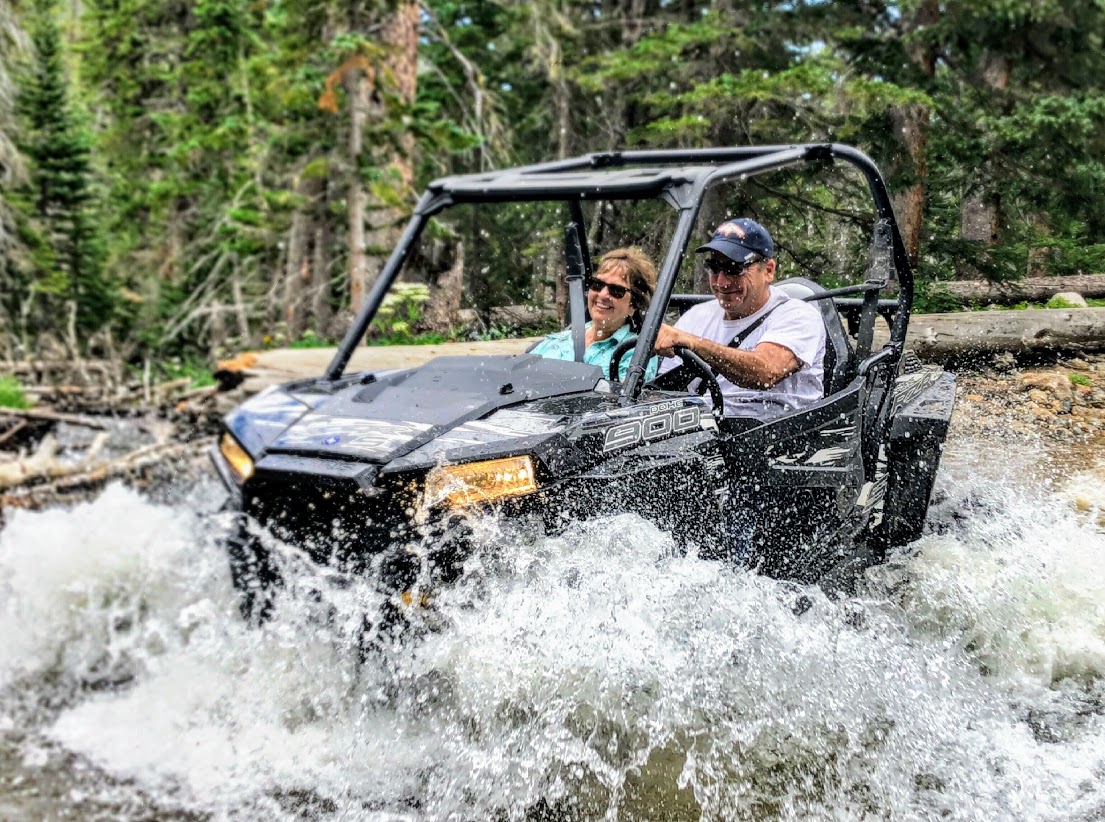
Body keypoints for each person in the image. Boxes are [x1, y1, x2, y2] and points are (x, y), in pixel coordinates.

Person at [653, 218, 825, 419]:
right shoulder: (696, 317)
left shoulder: (798, 315)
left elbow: (765, 373)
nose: (722, 282)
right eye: (714, 268)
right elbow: (665, 395)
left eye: (735, 268)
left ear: (768, 271)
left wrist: (694, 344)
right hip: (704, 429)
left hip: (775, 432)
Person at [531, 246, 660, 381]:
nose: (603, 294)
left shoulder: (636, 354)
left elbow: (621, 399)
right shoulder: (558, 341)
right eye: (597, 284)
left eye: (616, 290)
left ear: (633, 305)